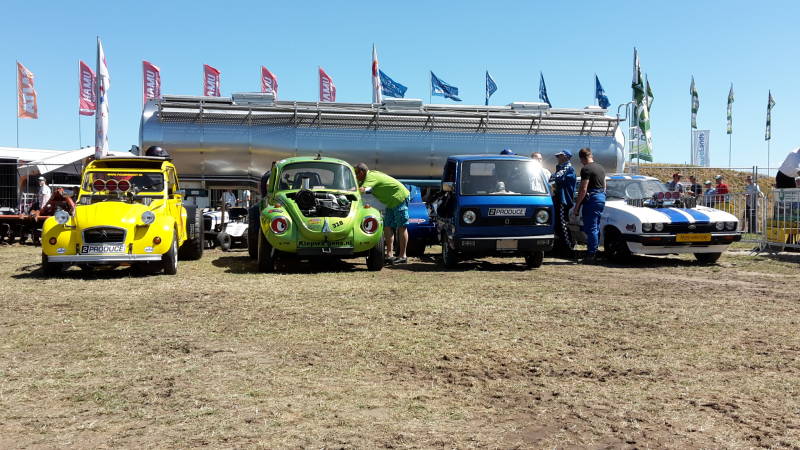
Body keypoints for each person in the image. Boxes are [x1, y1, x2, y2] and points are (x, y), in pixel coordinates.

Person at [355, 163, 411, 264]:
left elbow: (361, 190)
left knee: (402, 226)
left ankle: (403, 256)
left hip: (399, 198)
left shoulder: (370, 176)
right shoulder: (366, 178)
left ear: (362, 172)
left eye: (356, 173)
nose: (355, 176)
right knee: (387, 226)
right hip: (390, 202)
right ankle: (389, 255)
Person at [572, 148, 605, 263]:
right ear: (591, 156)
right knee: (596, 226)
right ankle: (595, 251)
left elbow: (583, 189)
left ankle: (591, 254)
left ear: (582, 158)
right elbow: (604, 185)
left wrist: (577, 206)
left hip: (592, 199)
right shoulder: (601, 168)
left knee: (591, 227)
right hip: (601, 197)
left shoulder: (586, 169)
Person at [549, 150, 577, 257]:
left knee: (563, 224)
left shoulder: (568, 168)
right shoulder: (560, 168)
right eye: (558, 156)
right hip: (558, 199)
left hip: (563, 200)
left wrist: (553, 179)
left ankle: (568, 248)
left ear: (566, 157)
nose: (558, 158)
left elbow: (555, 179)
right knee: (558, 224)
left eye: (560, 156)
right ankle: (559, 247)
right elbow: (552, 180)